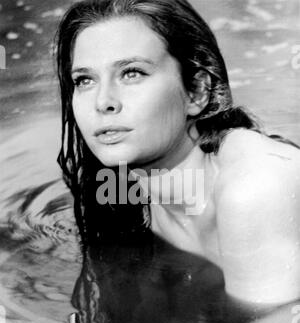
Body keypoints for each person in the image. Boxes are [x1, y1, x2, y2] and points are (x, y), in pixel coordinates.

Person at [55, 0, 300, 306]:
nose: (103, 101)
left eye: (132, 73)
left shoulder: (255, 186)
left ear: (197, 91)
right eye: (85, 80)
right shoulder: (122, 190)